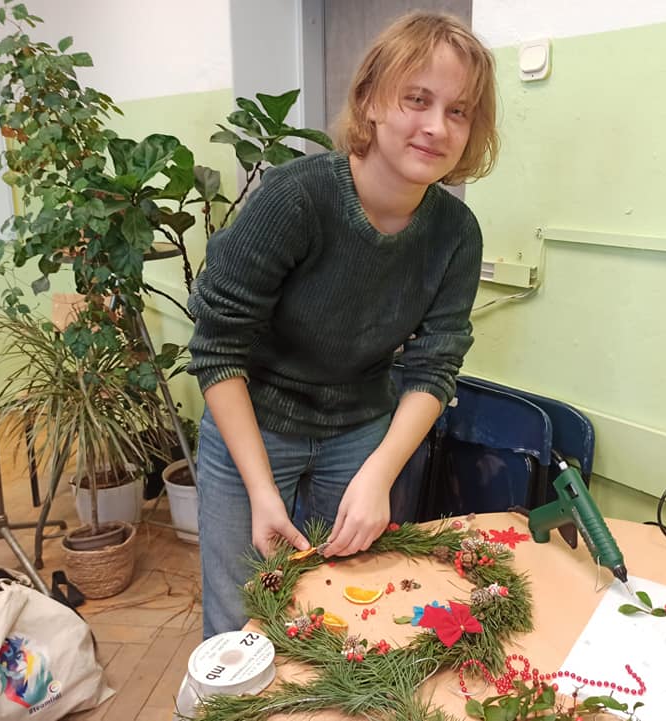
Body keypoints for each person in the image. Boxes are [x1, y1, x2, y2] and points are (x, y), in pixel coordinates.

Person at [186, 11, 500, 638]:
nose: (437, 126)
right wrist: (261, 491)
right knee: (239, 616)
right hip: (256, 422)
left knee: (343, 612)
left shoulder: (456, 233)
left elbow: (434, 365)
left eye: (459, 111)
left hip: (359, 429)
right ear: (370, 100)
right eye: (417, 99)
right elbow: (218, 350)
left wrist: (379, 473)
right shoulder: (295, 198)